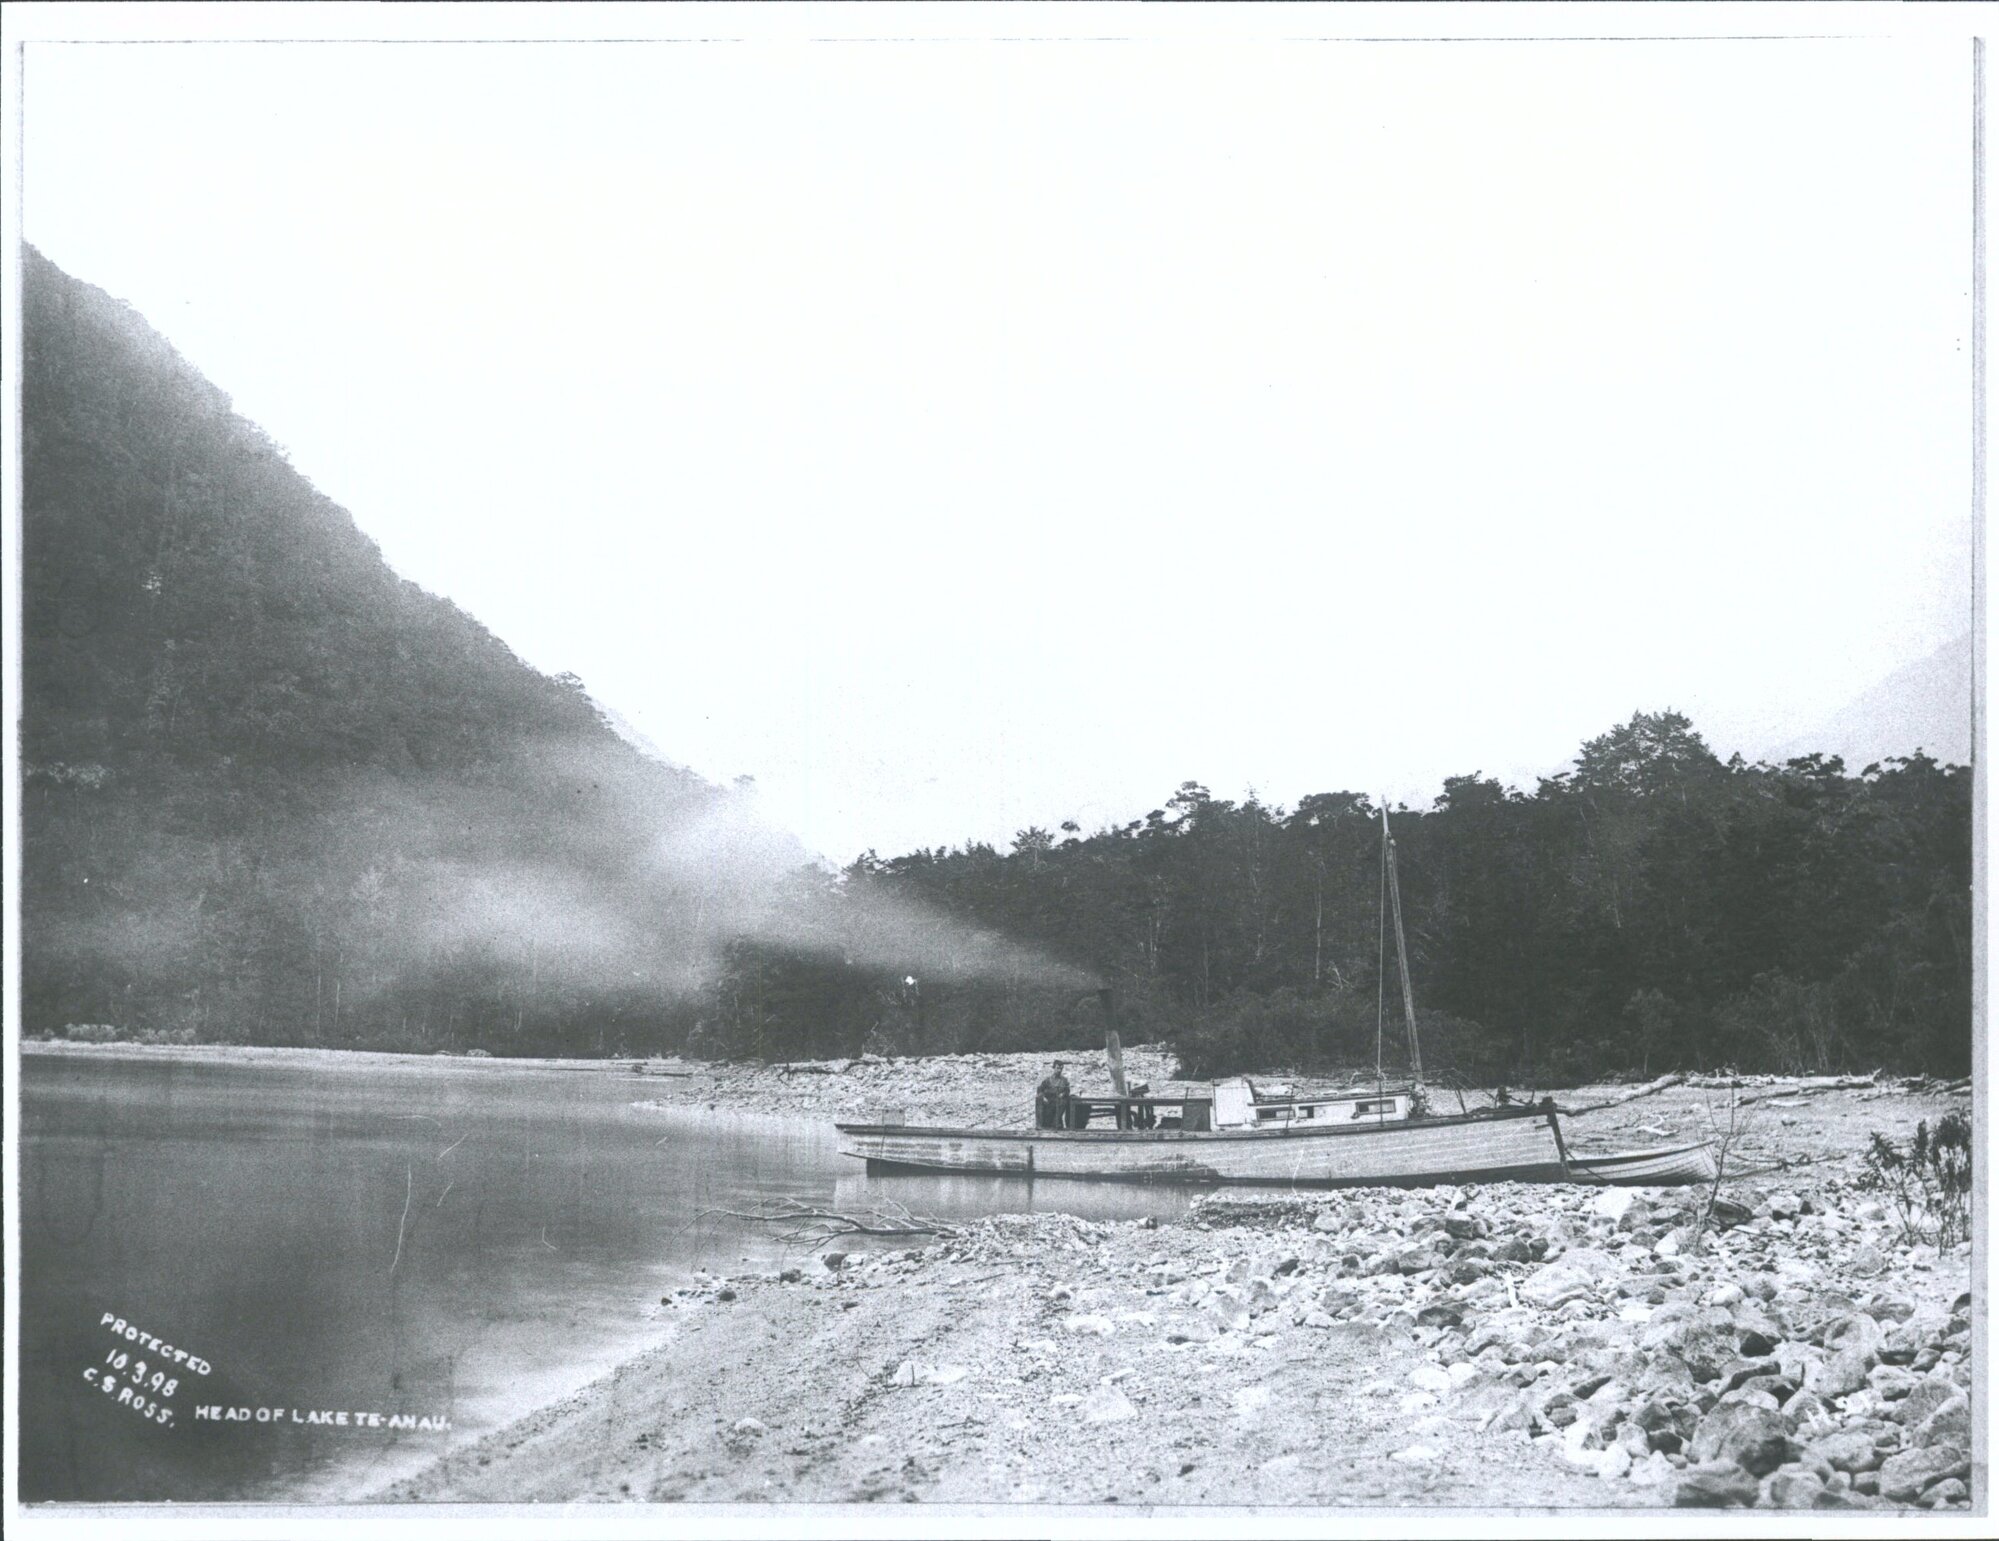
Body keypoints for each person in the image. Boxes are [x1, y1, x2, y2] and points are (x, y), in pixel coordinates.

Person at [1035, 1061, 1071, 1129]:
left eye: (1061, 1068)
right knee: (1039, 1098)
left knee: (1064, 1101)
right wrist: (1043, 1097)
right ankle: (1039, 1125)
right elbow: (1040, 1089)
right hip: (1049, 1101)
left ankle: (1056, 1123)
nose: (1059, 1070)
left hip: (1059, 1100)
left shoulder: (1064, 1080)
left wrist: (1063, 1094)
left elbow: (1067, 1091)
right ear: (1054, 1068)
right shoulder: (1048, 1080)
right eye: (1057, 1068)